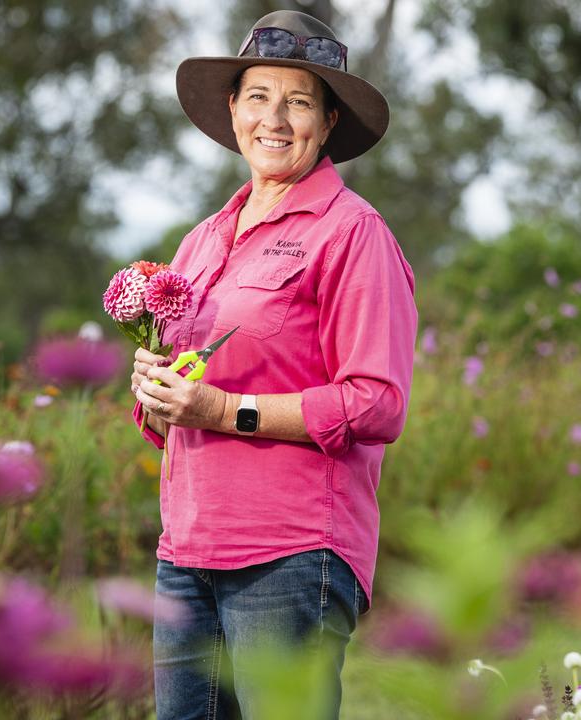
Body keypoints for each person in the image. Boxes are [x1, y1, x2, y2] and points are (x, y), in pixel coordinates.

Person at [126, 10, 417, 719]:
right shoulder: (201, 241)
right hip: (186, 553)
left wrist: (225, 410)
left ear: (327, 122)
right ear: (233, 111)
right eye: (258, 96)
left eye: (299, 101)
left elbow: (377, 402)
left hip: (291, 557)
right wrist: (155, 394)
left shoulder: (354, 233)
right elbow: (180, 407)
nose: (275, 119)